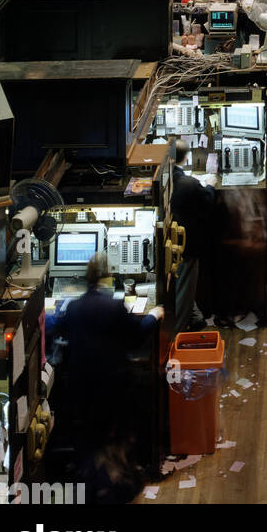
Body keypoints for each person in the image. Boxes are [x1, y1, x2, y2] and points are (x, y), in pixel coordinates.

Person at [54, 252, 163, 474]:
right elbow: (136, 337)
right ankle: (138, 462)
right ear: (108, 277)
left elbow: (59, 329)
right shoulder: (114, 307)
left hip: (81, 387)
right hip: (112, 385)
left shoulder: (74, 308)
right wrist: (154, 315)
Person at [171, 139, 217, 334]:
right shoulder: (188, 183)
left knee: (182, 285)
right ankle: (177, 336)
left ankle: (196, 317)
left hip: (174, 244)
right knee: (185, 288)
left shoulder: (171, 180)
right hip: (188, 246)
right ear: (186, 157)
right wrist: (210, 186)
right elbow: (207, 201)